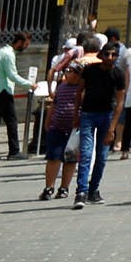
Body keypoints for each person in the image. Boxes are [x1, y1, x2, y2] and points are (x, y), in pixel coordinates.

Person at [73, 33, 124, 206]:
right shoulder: (90, 71)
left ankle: (93, 189)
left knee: (102, 157)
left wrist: (112, 128)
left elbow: (120, 101)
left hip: (106, 117)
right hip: (88, 114)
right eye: (107, 54)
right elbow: (79, 91)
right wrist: (76, 114)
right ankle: (81, 191)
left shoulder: (118, 74)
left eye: (113, 55)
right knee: (86, 154)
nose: (110, 58)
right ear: (100, 55)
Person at [0, 32, 34, 161]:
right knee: (11, 121)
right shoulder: (9, 55)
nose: (25, 47)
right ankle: (14, 151)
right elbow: (12, 75)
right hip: (4, 90)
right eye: (25, 44)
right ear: (19, 42)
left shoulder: (2, 52)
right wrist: (29, 84)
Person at [38, 54, 84, 200]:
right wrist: (48, 122)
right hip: (57, 127)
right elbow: (54, 105)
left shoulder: (82, 89)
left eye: (71, 71)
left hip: (73, 130)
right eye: (67, 71)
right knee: (53, 157)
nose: (67, 74)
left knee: (70, 159)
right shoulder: (62, 87)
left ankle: (64, 187)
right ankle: (49, 186)